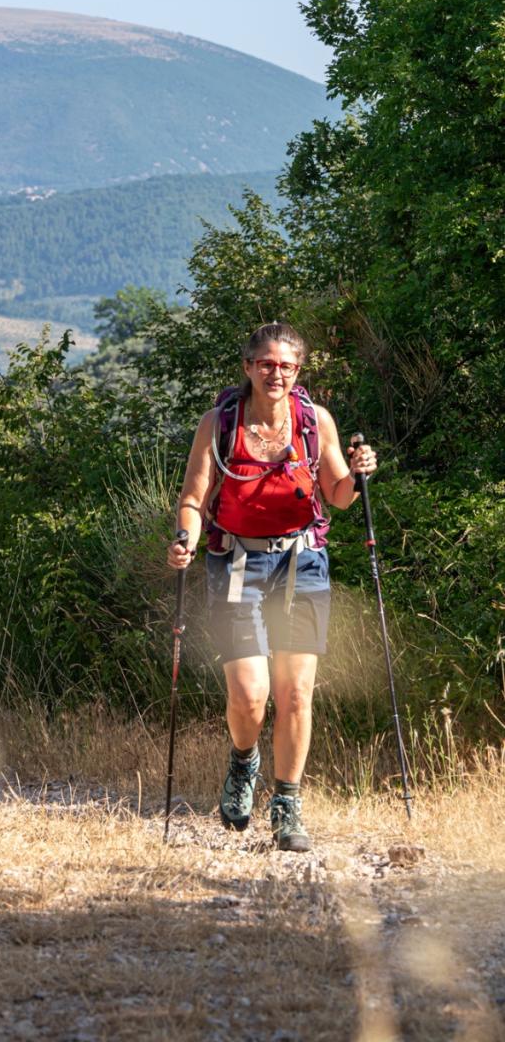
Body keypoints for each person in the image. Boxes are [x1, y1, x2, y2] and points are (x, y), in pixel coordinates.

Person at [167, 321, 377, 851]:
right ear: (248, 368)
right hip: (237, 563)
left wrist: (359, 474)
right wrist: (184, 540)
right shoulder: (219, 424)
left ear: (298, 370)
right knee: (249, 695)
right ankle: (244, 762)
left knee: (296, 692)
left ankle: (287, 803)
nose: (275, 373)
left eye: (285, 365)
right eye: (265, 364)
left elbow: (338, 494)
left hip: (302, 564)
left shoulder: (314, 422)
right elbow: (194, 498)